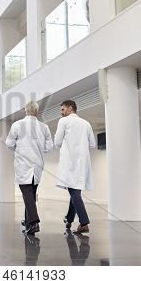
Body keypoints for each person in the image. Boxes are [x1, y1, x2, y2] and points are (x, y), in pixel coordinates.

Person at [6, 101, 53, 235]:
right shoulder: (44, 127)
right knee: (31, 194)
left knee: (27, 194)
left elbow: (9, 143)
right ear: (37, 112)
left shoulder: (18, 125)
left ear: (25, 111)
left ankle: (33, 222)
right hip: (38, 165)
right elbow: (49, 147)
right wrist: (38, 149)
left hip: (23, 164)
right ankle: (28, 221)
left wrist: (18, 149)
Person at [54, 100, 95, 234]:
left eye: (63, 109)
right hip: (82, 162)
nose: (61, 112)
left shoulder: (64, 122)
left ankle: (84, 222)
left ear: (70, 108)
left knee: (74, 191)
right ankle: (69, 218)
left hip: (70, 161)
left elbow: (58, 142)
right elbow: (92, 144)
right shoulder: (86, 123)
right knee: (75, 189)